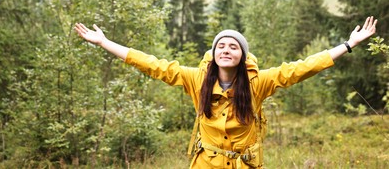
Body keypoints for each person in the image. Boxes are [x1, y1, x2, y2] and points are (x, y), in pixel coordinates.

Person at [74, 16, 377, 169]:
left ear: (242, 56)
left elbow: (302, 68)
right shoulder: (196, 80)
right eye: (221, 45)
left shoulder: (259, 83)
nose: (226, 49)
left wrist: (348, 45)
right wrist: (105, 43)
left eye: (233, 46)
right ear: (214, 53)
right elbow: (152, 64)